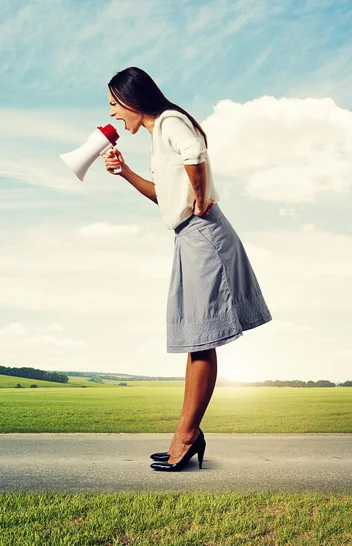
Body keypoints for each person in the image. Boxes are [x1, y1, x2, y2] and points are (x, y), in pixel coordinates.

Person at [103, 67, 271, 472]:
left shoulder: (169, 122)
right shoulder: (158, 135)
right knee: (197, 339)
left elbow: (195, 154)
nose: (112, 115)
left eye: (113, 105)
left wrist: (199, 198)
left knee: (201, 339)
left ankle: (186, 435)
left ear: (132, 99)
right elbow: (163, 196)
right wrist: (125, 172)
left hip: (202, 234)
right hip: (188, 237)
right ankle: (187, 433)